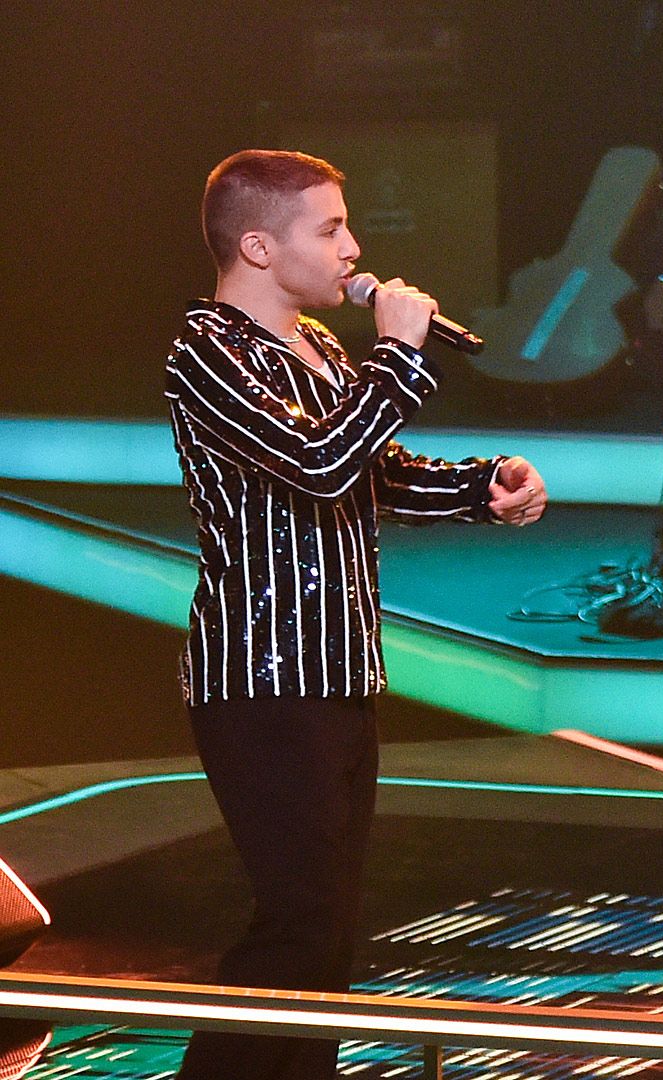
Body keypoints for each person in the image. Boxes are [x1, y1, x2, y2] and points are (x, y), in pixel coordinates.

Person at [165, 149, 548, 1079]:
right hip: (261, 677)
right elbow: (319, 463)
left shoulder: (322, 348)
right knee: (297, 924)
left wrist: (482, 487)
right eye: (331, 228)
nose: (354, 249)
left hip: (340, 671)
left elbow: (370, 475)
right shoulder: (207, 352)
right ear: (259, 247)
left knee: (327, 932)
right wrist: (401, 354)